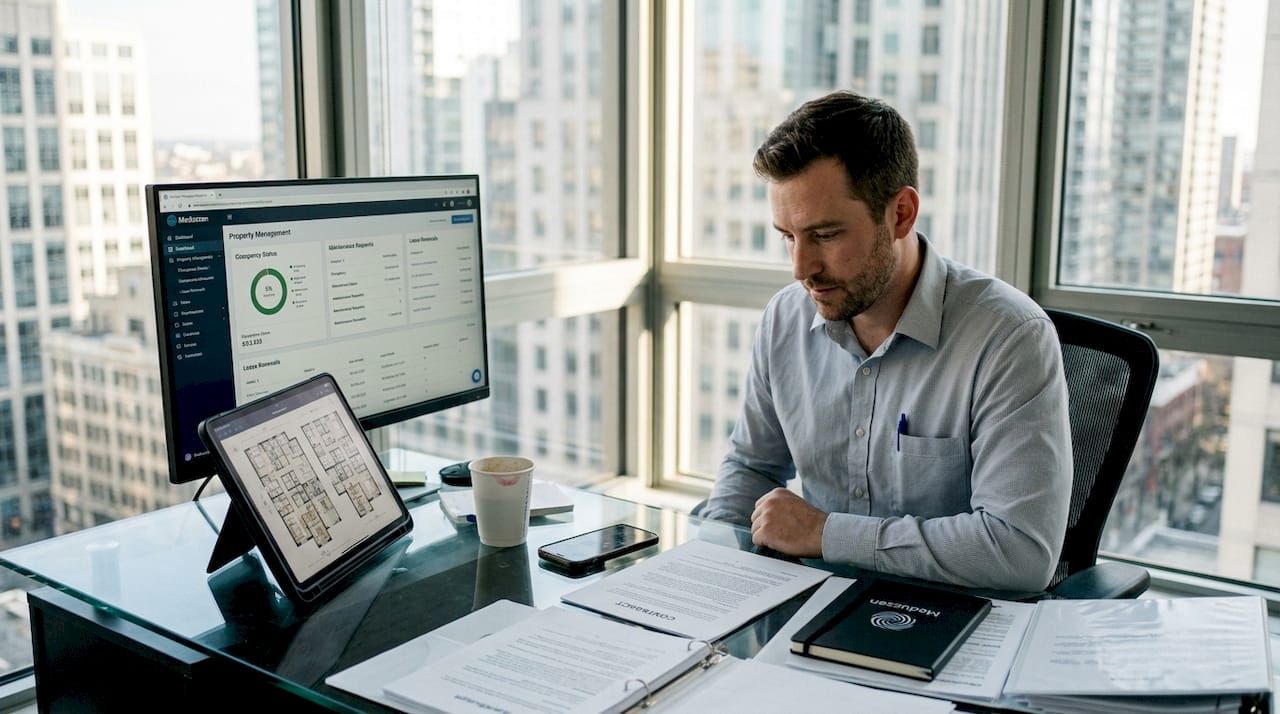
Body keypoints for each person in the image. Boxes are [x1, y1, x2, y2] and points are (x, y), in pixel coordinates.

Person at [698, 90, 1072, 592]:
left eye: (826, 235)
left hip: (954, 621)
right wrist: (709, 563)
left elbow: (1019, 551)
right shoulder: (784, 318)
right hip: (814, 605)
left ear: (900, 214)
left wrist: (827, 534)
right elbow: (751, 466)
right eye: (788, 235)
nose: (800, 268)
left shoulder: (1008, 337)